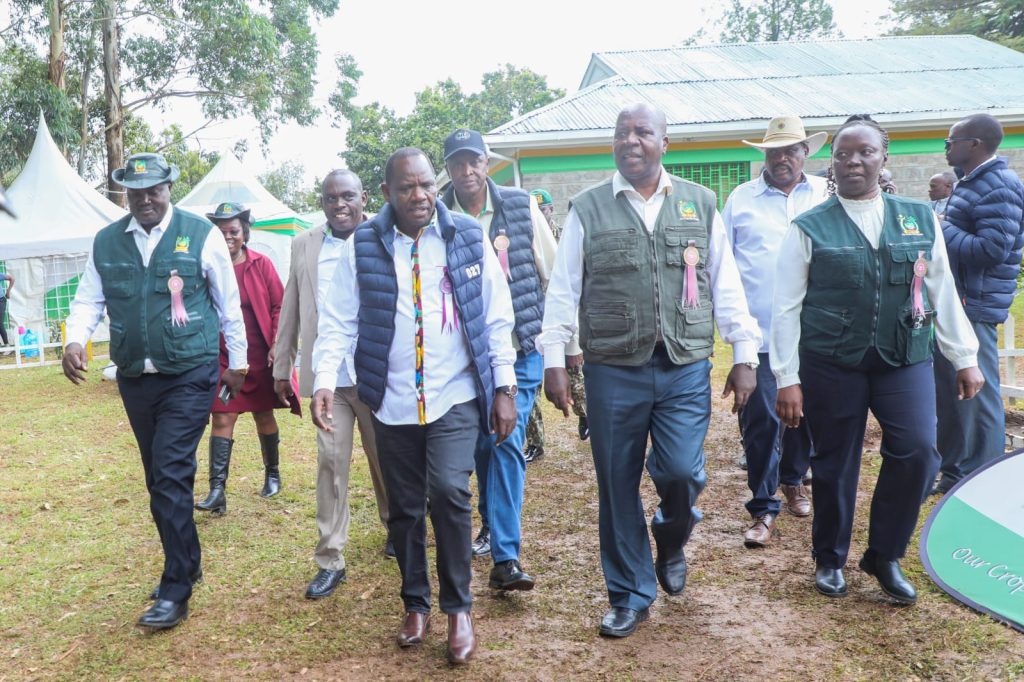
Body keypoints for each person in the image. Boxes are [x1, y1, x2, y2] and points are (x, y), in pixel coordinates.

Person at [539, 103, 761, 638]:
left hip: (683, 366)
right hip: (612, 369)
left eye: (643, 132)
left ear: (665, 142)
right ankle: (629, 594)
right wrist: (554, 359)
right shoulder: (589, 208)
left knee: (682, 472)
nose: (631, 140)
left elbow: (724, 281)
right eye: (622, 132)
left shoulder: (698, 203)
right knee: (616, 484)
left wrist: (745, 353)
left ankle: (671, 535)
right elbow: (564, 288)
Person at [311, 148, 517, 665]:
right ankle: (415, 603)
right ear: (387, 193)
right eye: (407, 187)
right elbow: (339, 320)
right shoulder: (363, 245)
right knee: (404, 508)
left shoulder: (465, 235)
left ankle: (459, 609)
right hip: (391, 400)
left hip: (454, 394)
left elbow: (496, 315)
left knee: (449, 491)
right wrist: (323, 379)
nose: (420, 195)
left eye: (426, 184)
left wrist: (505, 387)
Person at [771, 116, 984, 605]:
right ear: (832, 163)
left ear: (883, 158)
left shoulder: (918, 217)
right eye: (843, 153)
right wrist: (787, 377)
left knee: (918, 452)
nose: (853, 161)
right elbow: (785, 307)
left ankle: (885, 555)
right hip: (831, 360)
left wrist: (964, 357)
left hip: (903, 357)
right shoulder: (809, 226)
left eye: (865, 152)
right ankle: (829, 558)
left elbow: (941, 287)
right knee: (834, 461)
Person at [62, 152, 247, 629]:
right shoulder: (107, 242)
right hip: (135, 377)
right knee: (158, 477)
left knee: (168, 474)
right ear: (125, 193)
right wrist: (74, 340)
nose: (145, 199)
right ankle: (188, 561)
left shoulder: (200, 234)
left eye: (154, 190)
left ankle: (175, 587)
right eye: (136, 192)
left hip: (189, 372)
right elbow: (88, 299)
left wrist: (239, 363)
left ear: (169, 189)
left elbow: (228, 303)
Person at [440, 128, 559, 586]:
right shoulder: (438, 217)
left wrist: (564, 350)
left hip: (521, 349)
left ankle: (506, 557)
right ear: (448, 170)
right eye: (458, 163)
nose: (467, 171)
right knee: (482, 444)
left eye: (474, 161)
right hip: (467, 358)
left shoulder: (521, 206)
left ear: (486, 164)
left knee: (506, 438)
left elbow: (554, 275)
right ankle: (492, 525)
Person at [272, 170, 392, 601]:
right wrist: (282, 365)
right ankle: (330, 558)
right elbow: (291, 305)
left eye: (347, 196)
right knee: (330, 462)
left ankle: (397, 527)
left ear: (364, 198)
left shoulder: (386, 234)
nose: (339, 205)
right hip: (329, 380)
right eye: (330, 198)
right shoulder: (304, 244)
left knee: (386, 459)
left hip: (378, 374)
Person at [725, 115, 827, 548]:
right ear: (764, 155)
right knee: (762, 421)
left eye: (791, 150)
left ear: (805, 153)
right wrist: (736, 336)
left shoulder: (825, 193)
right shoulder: (741, 199)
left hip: (816, 332)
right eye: (774, 151)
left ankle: (794, 479)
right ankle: (763, 506)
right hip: (760, 333)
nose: (782, 158)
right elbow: (722, 266)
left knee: (806, 415)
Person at [933, 113, 1024, 495]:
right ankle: (954, 472)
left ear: (974, 144)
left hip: (977, 305)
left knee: (979, 393)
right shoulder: (973, 182)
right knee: (952, 392)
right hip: (956, 302)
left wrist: (941, 226)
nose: (946, 148)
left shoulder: (999, 186)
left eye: (950, 141)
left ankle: (983, 478)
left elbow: (992, 250)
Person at [194, 202, 291, 514]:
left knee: (264, 414)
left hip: (259, 355)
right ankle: (217, 490)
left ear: (244, 233)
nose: (227, 237)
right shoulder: (205, 266)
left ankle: (272, 474)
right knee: (222, 415)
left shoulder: (261, 264)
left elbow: (279, 306)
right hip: (223, 354)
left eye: (233, 231)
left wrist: (277, 343)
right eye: (221, 231)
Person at [524, 188, 588, 464]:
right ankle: (535, 442)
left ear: (551, 209)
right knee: (531, 390)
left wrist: (573, 343)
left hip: (564, 322)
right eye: (537, 211)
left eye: (545, 209)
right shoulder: (523, 235)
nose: (542, 214)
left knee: (575, 380)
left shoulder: (566, 235)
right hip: (532, 323)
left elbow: (569, 290)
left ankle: (586, 416)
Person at [0, 270, 13, 347]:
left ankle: (7, 345)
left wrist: (8, 291)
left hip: (1, 301)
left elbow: (12, 278)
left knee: (0, 323)